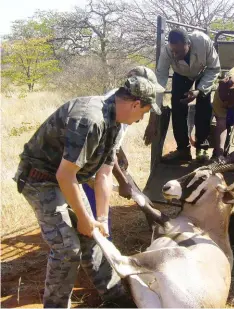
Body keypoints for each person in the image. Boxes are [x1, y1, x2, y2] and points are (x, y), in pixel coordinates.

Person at [13, 69, 162, 308]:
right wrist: (83, 217)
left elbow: (104, 173)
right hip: (40, 179)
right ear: (136, 104)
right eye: (144, 112)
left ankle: (117, 299)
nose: (142, 119)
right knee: (67, 249)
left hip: (67, 179)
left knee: (94, 236)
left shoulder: (115, 121)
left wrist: (100, 219)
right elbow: (64, 174)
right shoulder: (90, 119)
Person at [82, 66, 162, 239]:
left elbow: (111, 145)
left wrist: (120, 153)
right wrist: (122, 181)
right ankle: (101, 251)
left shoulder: (119, 102)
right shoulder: (119, 109)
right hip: (84, 169)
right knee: (97, 214)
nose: (141, 119)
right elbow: (103, 158)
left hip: (88, 165)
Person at [144, 28, 221, 162]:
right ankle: (183, 150)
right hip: (181, 75)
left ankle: (201, 147)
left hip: (203, 73)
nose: (175, 55)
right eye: (173, 51)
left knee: (204, 105)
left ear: (188, 44)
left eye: (179, 51)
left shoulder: (203, 41)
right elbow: (159, 83)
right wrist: (153, 118)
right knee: (178, 108)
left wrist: (199, 90)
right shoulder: (167, 51)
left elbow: (214, 69)